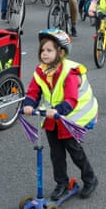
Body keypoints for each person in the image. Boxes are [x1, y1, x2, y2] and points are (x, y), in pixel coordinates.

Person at [23, 29, 99, 200]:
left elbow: (71, 99)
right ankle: (61, 183)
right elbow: (33, 92)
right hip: (51, 121)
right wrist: (28, 105)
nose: (44, 54)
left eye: (49, 50)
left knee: (75, 152)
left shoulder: (69, 72)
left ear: (61, 52)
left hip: (68, 119)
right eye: (42, 50)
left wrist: (58, 110)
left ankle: (90, 179)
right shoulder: (41, 70)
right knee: (56, 155)